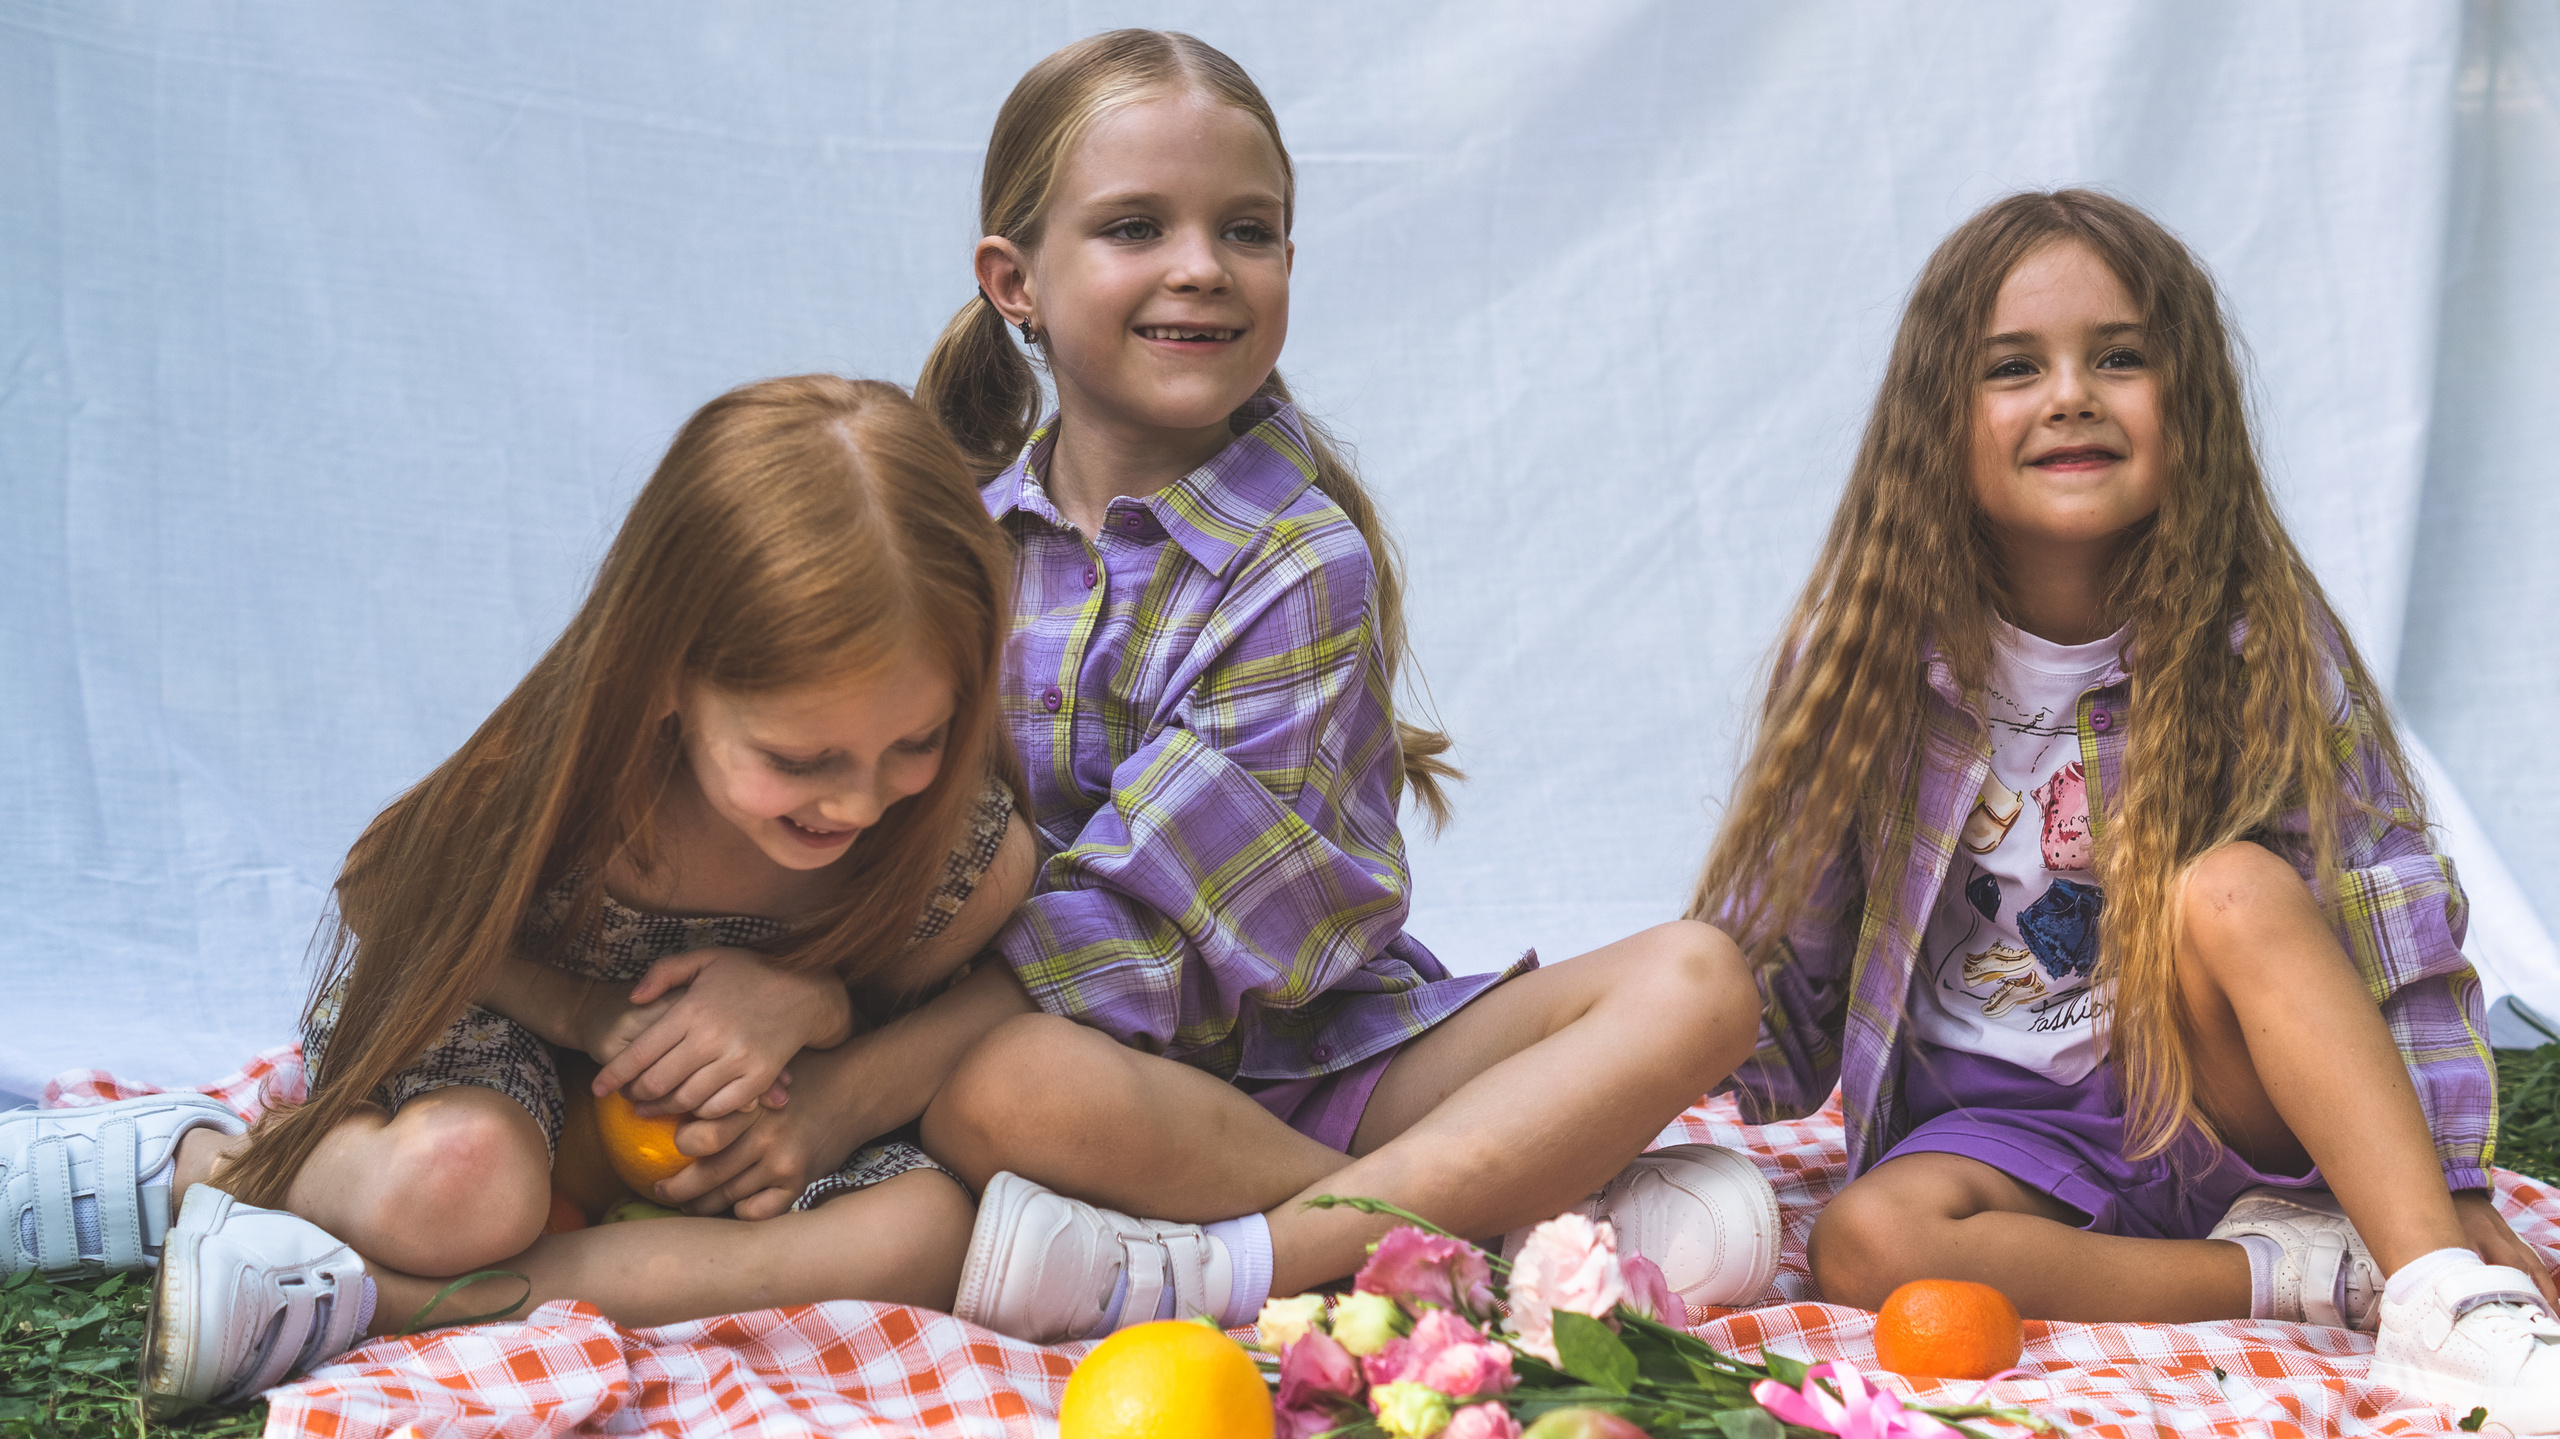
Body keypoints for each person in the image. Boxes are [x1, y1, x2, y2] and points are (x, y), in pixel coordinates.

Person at [904, 29, 1780, 1346]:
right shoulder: (951, 551)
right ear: (1013, 281)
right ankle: (1520, 1219)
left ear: (1290, 264)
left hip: (1333, 1066)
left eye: (1247, 230)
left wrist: (862, 1065)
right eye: (1136, 225)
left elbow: (1158, 939)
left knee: (1705, 978)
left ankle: (1235, 1265)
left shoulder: (1301, 556)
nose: (1201, 264)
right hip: (1097, 1084)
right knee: (1004, 1088)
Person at [1690, 189, 2558, 1423]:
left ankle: (2429, 1291)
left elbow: (2386, 900)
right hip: (1998, 1134)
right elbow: (1789, 935)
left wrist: (2453, 1189)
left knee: (2235, 885)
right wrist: (1687, 1069)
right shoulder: (1873, 658)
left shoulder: (2255, 639)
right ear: (1935, 422)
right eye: (2011, 366)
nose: (2070, 394)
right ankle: (2293, 1274)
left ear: (2187, 405)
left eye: (2119, 356)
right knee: (1864, 1238)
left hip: (2211, 1097)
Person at [3, 376, 1042, 1408]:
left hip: (720, 1123)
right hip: (504, 1026)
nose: (858, 801)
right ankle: (204, 1162)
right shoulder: (581, 786)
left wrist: (816, 1003)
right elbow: (381, 892)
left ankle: (382, 1298)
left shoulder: (959, 852)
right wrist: (586, 1012)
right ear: (669, 672)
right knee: (459, 1186)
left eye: (917, 740)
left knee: (925, 1231)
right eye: (799, 755)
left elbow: (961, 999)